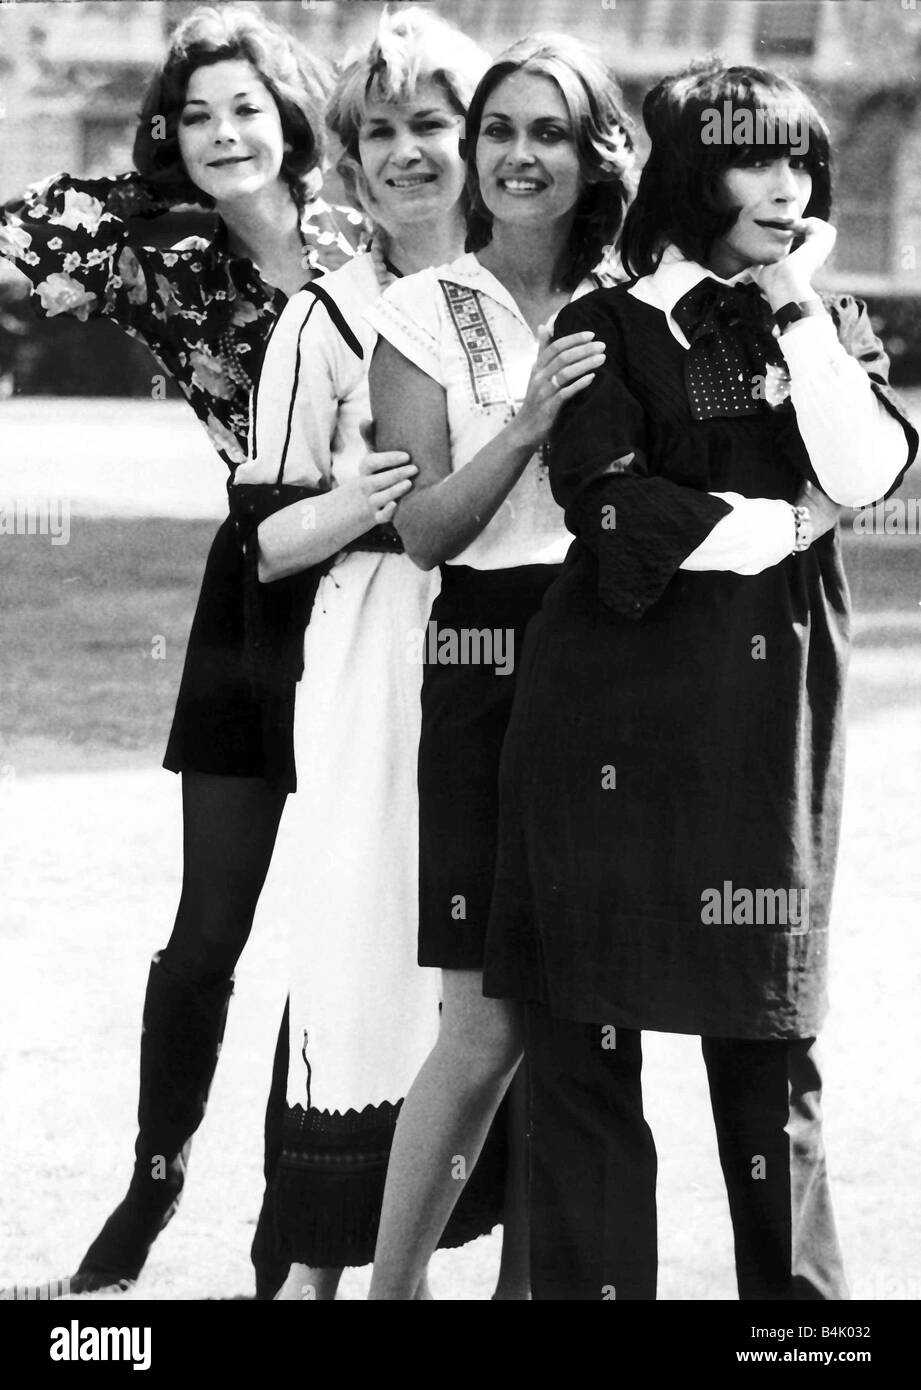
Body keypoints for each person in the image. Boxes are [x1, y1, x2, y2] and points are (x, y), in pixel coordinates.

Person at [481, 60, 918, 1300]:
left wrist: (791, 297)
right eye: (755, 160)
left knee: (770, 1051)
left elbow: (871, 468)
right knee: (587, 1058)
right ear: (688, 170)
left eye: (801, 165)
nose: (786, 188)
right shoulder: (603, 326)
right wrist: (789, 522)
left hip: (766, 725)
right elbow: (615, 512)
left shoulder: (817, 322)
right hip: (603, 726)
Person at [0, 4, 362, 1298]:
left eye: (245, 108)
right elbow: (15, 243)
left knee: (349, 930)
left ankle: (297, 1232)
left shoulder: (369, 229)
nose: (222, 133)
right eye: (194, 114)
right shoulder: (157, 251)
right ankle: (146, 1199)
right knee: (208, 924)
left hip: (389, 591)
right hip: (255, 589)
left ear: (294, 115)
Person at [230, 6, 509, 1303]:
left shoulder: (524, 298)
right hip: (374, 655)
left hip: (516, 654)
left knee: (500, 966)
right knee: (360, 951)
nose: (407, 151)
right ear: (345, 158)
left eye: (432, 123)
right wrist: (362, 497)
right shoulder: (323, 322)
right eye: (379, 129)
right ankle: (309, 1277)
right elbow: (261, 545)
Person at [362, 35, 635, 1300]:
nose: (521, 157)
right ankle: (393, 1290)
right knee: (480, 1028)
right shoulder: (419, 312)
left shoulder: (637, 297)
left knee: (589, 1022)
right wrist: (529, 422)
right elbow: (420, 530)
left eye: (550, 134)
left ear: (593, 157)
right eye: (501, 131)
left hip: (624, 659)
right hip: (482, 657)